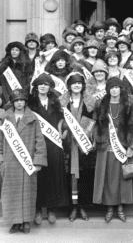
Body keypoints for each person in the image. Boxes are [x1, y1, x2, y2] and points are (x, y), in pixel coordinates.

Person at [0, 89, 47, 234]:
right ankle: (14, 222)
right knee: (11, 193)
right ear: (12, 102)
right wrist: (1, 158)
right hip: (10, 162)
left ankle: (26, 221)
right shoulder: (5, 119)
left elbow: (40, 140)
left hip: (28, 163)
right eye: (16, 100)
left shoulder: (33, 118)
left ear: (25, 102)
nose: (19, 103)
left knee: (28, 192)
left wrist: (38, 160)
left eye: (22, 100)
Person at [93, 77, 133, 223]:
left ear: (121, 89)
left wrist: (130, 145)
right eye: (111, 87)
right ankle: (109, 208)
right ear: (108, 89)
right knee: (107, 178)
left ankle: (120, 208)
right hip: (106, 147)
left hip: (122, 146)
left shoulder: (129, 104)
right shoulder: (101, 104)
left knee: (121, 178)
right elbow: (96, 124)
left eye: (117, 87)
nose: (114, 90)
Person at [28, 73, 69, 225]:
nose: (43, 86)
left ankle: (51, 209)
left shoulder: (56, 103)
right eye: (40, 84)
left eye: (46, 84)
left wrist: (63, 130)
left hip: (54, 144)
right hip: (36, 144)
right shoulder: (30, 104)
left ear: (50, 87)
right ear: (36, 87)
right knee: (39, 177)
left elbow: (64, 122)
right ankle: (38, 209)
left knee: (53, 175)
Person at [60, 72, 96, 222]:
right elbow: (59, 121)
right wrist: (66, 129)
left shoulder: (90, 103)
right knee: (69, 176)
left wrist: (88, 136)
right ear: (69, 85)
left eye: (79, 83)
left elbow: (94, 121)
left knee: (84, 176)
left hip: (84, 143)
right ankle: (73, 207)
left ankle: (82, 207)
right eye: (74, 83)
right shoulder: (62, 103)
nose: (76, 85)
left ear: (83, 86)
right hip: (68, 144)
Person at [0, 42, 33, 106]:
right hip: (7, 96)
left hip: (22, 96)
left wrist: (23, 95)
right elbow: (3, 83)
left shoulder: (26, 65)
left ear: (20, 52)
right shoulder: (4, 65)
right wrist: (7, 99)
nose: (14, 52)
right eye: (12, 50)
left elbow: (28, 82)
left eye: (17, 50)